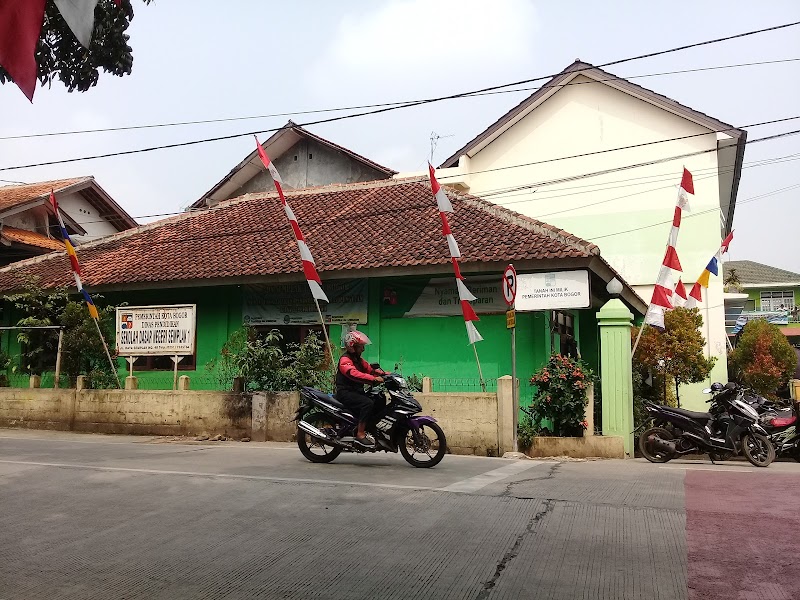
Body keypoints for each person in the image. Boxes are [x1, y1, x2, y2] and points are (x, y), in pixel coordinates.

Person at [336, 331, 386, 449]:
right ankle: (360, 434)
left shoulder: (358, 359)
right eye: (361, 346)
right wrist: (373, 379)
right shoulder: (345, 360)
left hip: (355, 392)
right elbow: (353, 374)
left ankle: (371, 428)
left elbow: (369, 369)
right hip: (345, 393)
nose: (363, 349)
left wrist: (387, 375)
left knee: (379, 398)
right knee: (367, 403)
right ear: (352, 346)